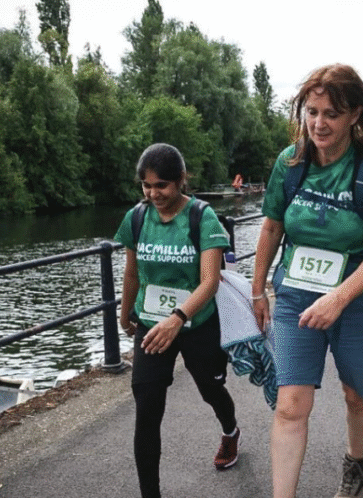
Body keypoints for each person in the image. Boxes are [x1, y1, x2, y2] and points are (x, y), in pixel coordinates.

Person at [250, 64, 363, 498]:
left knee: (357, 395)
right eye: (312, 111)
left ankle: (356, 462)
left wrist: (338, 298)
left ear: (355, 115)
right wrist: (258, 288)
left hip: (360, 294)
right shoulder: (291, 162)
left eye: (331, 114)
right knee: (290, 405)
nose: (319, 123)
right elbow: (270, 228)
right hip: (296, 293)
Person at [114, 144, 240, 498]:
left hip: (197, 324)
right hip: (152, 327)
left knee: (210, 388)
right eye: (146, 185)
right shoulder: (137, 218)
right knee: (147, 410)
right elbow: (131, 273)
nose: (153, 193)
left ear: (181, 181)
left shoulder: (202, 217)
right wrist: (126, 314)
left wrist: (178, 317)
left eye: (162, 186)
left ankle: (230, 431)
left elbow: (210, 281)